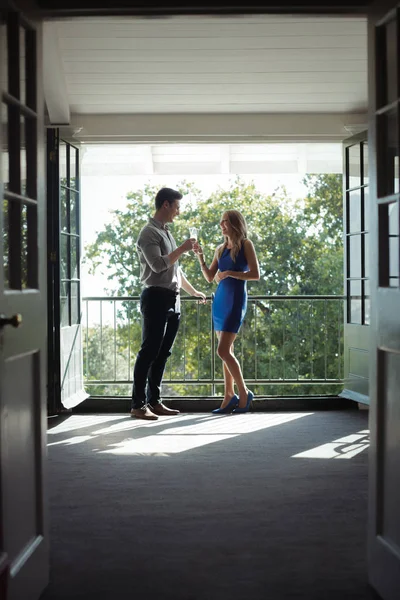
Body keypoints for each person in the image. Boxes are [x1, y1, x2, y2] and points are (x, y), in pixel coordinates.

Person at [131, 188, 206, 421]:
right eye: (176, 206)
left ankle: (154, 401)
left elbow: (176, 270)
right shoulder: (148, 233)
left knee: (163, 353)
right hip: (155, 298)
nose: (178, 211)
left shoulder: (167, 233)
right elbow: (157, 265)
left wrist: (193, 291)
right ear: (165, 205)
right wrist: (182, 249)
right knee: (149, 352)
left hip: (173, 299)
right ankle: (138, 404)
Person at [194, 210, 260, 414]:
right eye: (220, 222)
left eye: (225, 222)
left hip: (236, 300)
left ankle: (244, 392)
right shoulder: (220, 249)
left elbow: (255, 274)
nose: (221, 226)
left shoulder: (246, 245)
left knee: (222, 351)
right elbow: (209, 277)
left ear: (234, 224)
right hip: (220, 302)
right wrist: (201, 257)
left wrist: (231, 273)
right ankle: (229, 396)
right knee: (226, 353)